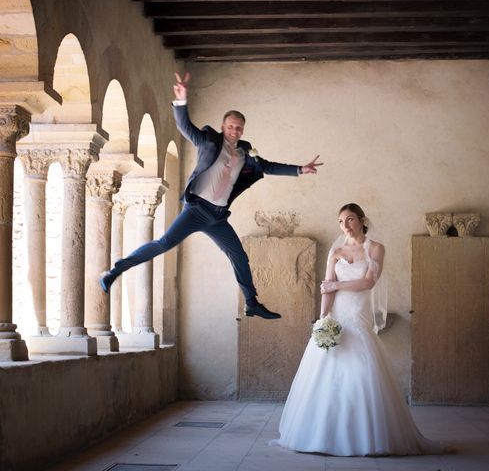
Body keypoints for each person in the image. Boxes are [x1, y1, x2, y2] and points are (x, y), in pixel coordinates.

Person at [99, 72, 323, 320]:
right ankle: (114, 272)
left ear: (242, 130)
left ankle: (251, 302)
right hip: (196, 211)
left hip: (217, 217)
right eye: (231, 127)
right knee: (164, 244)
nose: (235, 131)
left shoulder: (245, 153)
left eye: (239, 128)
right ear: (222, 127)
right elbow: (185, 127)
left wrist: (300, 169)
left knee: (238, 255)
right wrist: (181, 101)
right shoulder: (208, 140)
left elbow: (267, 167)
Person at [274, 203, 443, 455]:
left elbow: (368, 282)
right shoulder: (336, 252)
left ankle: (367, 436)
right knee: (327, 370)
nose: (345, 225)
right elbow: (326, 287)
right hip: (337, 315)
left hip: (358, 315)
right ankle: (322, 435)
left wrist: (335, 288)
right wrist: (322, 319)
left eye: (350, 219)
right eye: (341, 222)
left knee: (363, 371)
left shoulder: (375, 248)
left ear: (362, 220)